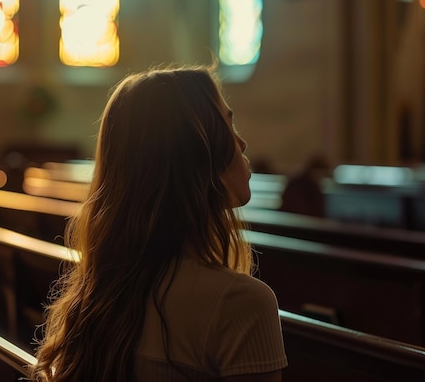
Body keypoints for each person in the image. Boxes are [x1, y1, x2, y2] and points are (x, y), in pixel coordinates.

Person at [28, 64, 288, 382]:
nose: (241, 144)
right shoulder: (242, 304)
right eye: (227, 125)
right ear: (196, 152)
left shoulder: (98, 298)